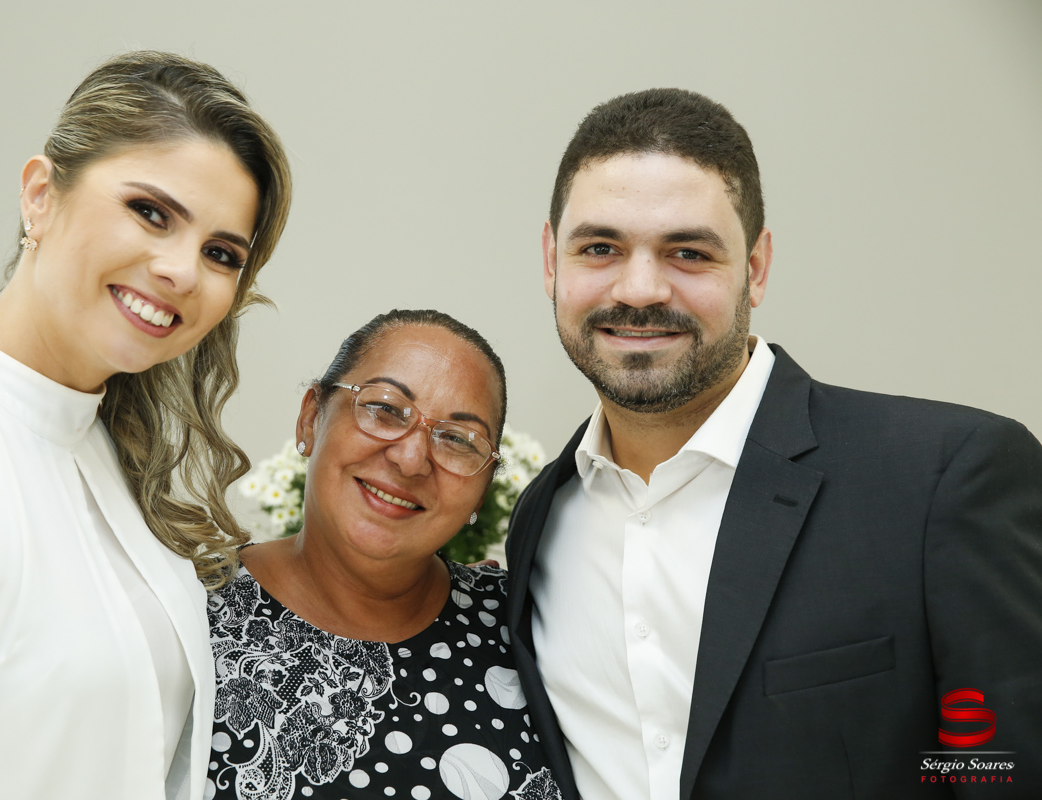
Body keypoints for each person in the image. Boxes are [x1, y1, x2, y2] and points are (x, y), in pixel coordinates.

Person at [505, 88, 1042, 799]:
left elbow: (1010, 770)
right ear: (551, 260)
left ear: (755, 267)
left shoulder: (946, 476)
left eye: (688, 252)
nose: (638, 289)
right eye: (600, 248)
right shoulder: (539, 520)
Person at [0, 51, 291, 800]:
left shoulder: (106, 446)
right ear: (40, 196)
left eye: (220, 254)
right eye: (150, 212)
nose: (182, 270)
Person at [206, 309, 564, 800]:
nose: (411, 458)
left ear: (481, 491)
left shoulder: (527, 626)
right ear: (311, 417)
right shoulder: (183, 616)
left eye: (459, 440)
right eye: (386, 409)